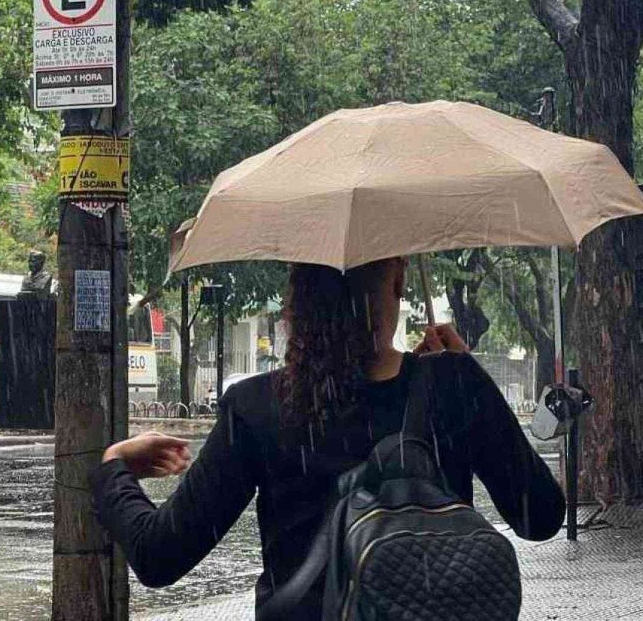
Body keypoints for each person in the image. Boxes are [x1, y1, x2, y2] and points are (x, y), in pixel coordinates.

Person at [90, 258, 565, 617]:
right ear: (398, 280)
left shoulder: (259, 407)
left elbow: (159, 556)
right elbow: (540, 517)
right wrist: (463, 376)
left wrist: (114, 466)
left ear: (299, 294)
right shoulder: (453, 386)